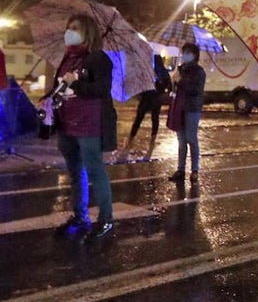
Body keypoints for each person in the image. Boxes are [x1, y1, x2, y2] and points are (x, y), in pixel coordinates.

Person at [53, 13, 117, 241]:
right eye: (68, 27)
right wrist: (48, 98)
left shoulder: (98, 59)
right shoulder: (68, 59)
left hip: (89, 124)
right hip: (67, 123)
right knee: (74, 172)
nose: (69, 31)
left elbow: (101, 89)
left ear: (87, 32)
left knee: (94, 171)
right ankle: (80, 216)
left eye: (75, 28)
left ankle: (106, 219)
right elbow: (60, 89)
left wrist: (75, 83)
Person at [120, 54, 172, 162]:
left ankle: (141, 140)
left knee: (147, 118)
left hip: (152, 97)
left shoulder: (157, 71)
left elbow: (167, 84)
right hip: (151, 97)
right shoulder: (150, 69)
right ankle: (136, 139)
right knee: (146, 118)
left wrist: (158, 85)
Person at [168, 41, 207, 180]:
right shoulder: (180, 69)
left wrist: (180, 81)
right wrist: (172, 81)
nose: (185, 55)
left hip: (192, 109)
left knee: (191, 139)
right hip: (179, 108)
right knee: (181, 141)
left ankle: (195, 170)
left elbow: (196, 90)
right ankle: (180, 170)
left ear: (194, 55)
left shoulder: (199, 72)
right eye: (184, 52)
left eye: (188, 53)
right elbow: (174, 90)